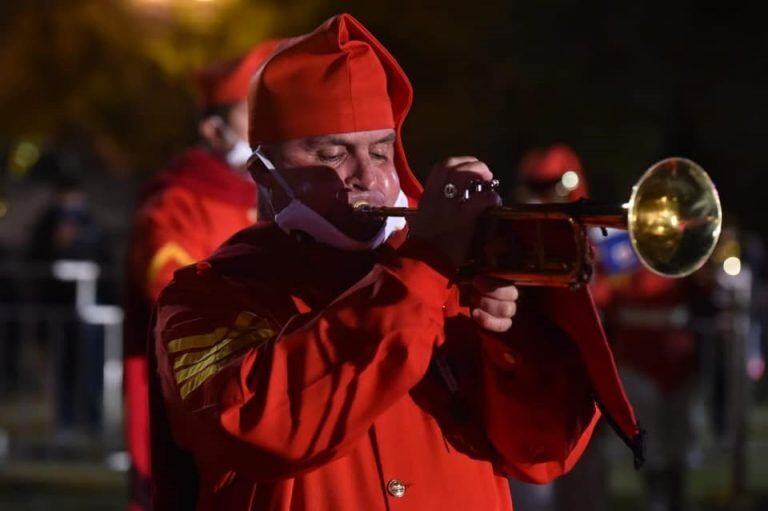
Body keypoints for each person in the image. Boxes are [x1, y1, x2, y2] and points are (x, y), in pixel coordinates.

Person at [150, 14, 643, 510]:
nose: (368, 177)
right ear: (264, 172)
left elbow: (543, 452)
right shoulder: (203, 297)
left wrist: (507, 335)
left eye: (382, 152)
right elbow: (263, 423)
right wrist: (424, 267)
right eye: (332, 154)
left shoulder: (444, 279)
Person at [123, 40, 279, 511]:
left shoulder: (278, 195)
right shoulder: (174, 205)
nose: (266, 131)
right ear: (213, 130)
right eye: (250, 118)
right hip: (203, 402)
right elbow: (179, 307)